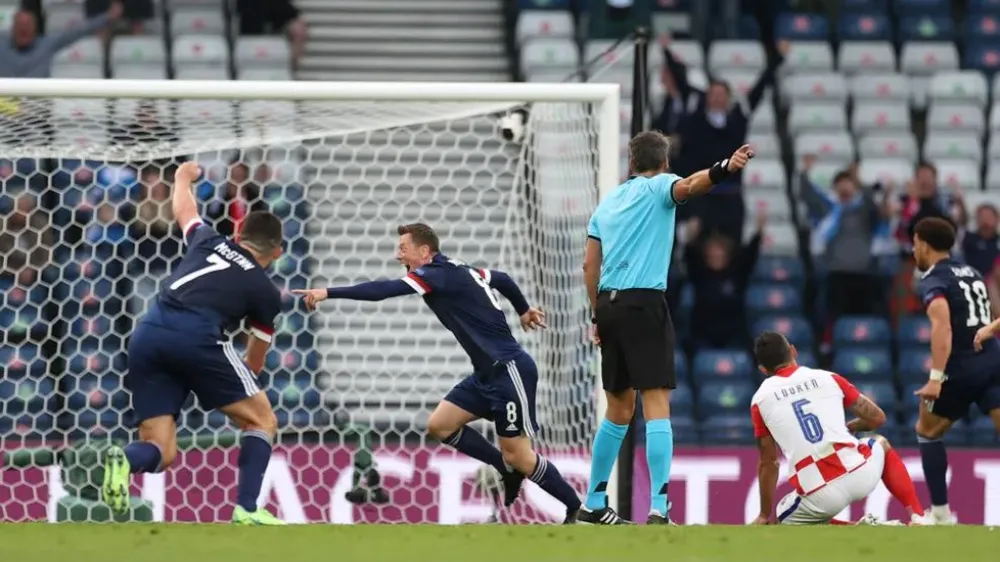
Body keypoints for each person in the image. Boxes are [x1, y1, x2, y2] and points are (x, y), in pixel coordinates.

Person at [292, 223, 583, 523]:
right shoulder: (460, 269)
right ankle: (505, 469)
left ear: (424, 251)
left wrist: (328, 292)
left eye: (402, 249)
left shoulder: (434, 274)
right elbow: (503, 279)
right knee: (440, 425)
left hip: (509, 370)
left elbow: (383, 290)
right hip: (485, 374)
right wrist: (523, 310)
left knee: (519, 455)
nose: (397, 255)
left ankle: (576, 507)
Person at [581, 131, 755, 525]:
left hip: (608, 304)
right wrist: (725, 168)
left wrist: (596, 315)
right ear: (663, 163)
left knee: (619, 409)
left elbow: (589, 267)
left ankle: (593, 501)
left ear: (630, 163)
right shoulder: (661, 187)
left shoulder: (607, 203)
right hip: (644, 303)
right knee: (656, 403)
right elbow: (691, 185)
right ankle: (659, 506)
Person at [102, 162, 286, 525]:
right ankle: (247, 510)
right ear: (277, 252)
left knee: (161, 450)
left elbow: (185, 210)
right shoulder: (265, 291)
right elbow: (255, 362)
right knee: (262, 420)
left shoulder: (208, 240)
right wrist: (227, 387)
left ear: (237, 234)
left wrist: (183, 178)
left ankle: (124, 460)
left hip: (148, 335)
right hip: (198, 340)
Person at [749, 331, 928, 526]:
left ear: (763, 369)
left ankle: (860, 528)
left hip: (820, 495)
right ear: (793, 351)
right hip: (860, 473)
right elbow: (877, 418)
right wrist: (850, 427)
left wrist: (764, 514)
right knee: (880, 443)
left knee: (785, 514)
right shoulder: (828, 378)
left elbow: (769, 461)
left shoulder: (760, 399)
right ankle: (917, 516)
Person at [912, 217, 1000, 525]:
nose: (913, 251)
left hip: (961, 367)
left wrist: (936, 377)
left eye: (914, 244)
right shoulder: (972, 272)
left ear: (923, 243)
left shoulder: (935, 278)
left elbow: (943, 327)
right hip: (993, 358)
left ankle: (940, 514)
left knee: (927, 431)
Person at [0, 1, 122, 78]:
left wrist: (107, 16)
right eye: (20, 26)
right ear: (13, 28)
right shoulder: (2, 47)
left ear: (35, 28)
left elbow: (77, 31)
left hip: (36, 111)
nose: (23, 29)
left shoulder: (46, 44)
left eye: (27, 26)